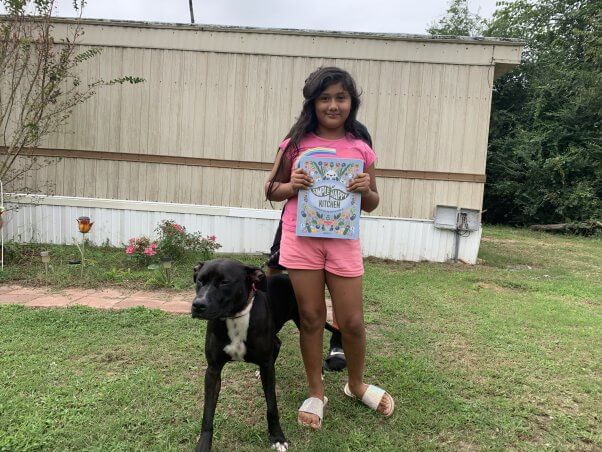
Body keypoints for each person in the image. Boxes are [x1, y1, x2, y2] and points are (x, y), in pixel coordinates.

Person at [264, 67, 394, 429]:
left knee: (351, 321)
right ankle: (316, 392)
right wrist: (292, 185)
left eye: (341, 97)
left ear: (352, 102)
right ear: (313, 102)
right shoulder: (295, 144)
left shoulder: (360, 147)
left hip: (343, 242)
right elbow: (271, 188)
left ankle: (355, 384)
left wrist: (366, 188)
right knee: (310, 319)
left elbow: (372, 203)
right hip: (301, 240)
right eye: (325, 98)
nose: (333, 105)